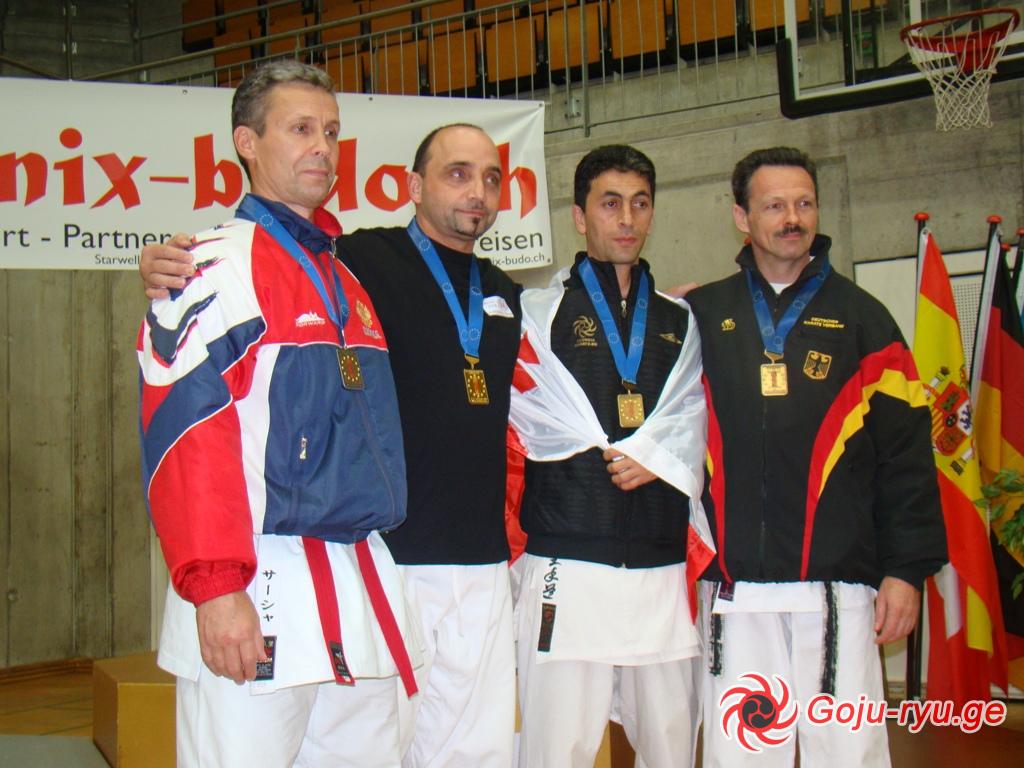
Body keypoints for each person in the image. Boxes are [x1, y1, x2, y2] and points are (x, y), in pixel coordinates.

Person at [141, 124, 521, 767]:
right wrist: (163, 267)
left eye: (491, 178)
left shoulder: (505, 292)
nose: (477, 192)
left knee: (466, 750)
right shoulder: (354, 260)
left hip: (458, 558)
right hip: (389, 553)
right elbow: (266, 262)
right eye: (457, 173)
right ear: (413, 186)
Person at [138, 60, 422, 768]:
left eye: (331, 131)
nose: (322, 147)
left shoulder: (346, 278)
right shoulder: (207, 268)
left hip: (354, 578)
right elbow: (187, 443)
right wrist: (216, 587)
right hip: (256, 581)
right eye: (300, 129)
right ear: (247, 142)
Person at [685, 146, 947, 767]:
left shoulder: (865, 320)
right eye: (775, 205)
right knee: (742, 756)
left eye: (804, 203)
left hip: (839, 593)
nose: (792, 218)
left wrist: (905, 571)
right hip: (736, 593)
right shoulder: (702, 316)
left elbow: (906, 459)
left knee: (849, 754)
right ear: (742, 217)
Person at [507, 145, 711, 767]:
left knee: (672, 747)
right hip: (567, 562)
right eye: (610, 203)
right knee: (556, 751)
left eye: (640, 204)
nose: (627, 219)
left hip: (658, 565)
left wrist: (658, 455)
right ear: (579, 216)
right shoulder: (536, 315)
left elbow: (697, 417)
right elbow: (523, 421)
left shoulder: (682, 322)